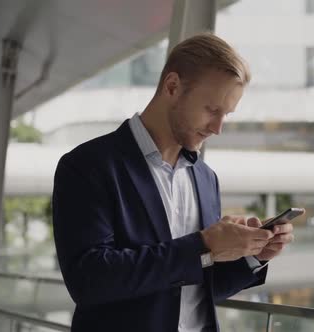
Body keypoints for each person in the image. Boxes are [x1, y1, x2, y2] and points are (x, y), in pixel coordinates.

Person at [52, 33, 295, 332]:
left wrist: (252, 256)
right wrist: (204, 245)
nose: (217, 128)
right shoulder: (88, 166)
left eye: (226, 115)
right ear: (172, 87)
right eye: (211, 110)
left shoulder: (206, 178)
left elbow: (192, 289)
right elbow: (90, 281)